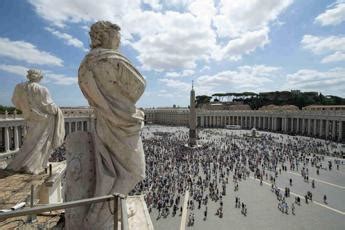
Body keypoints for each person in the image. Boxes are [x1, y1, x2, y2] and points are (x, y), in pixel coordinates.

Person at [78, 21, 146, 229]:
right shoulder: (112, 59)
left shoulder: (84, 66)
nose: (120, 41)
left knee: (109, 172)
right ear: (107, 36)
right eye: (118, 37)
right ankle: (103, 216)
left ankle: (106, 210)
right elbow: (138, 87)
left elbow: (90, 97)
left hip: (103, 121)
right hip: (123, 121)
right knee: (135, 171)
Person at [6, 69, 64, 174]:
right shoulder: (42, 89)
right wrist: (58, 110)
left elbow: (15, 101)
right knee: (40, 143)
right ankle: (33, 165)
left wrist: (26, 109)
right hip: (44, 120)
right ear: (39, 77)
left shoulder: (19, 87)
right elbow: (49, 106)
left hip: (30, 118)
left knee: (29, 142)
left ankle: (21, 164)